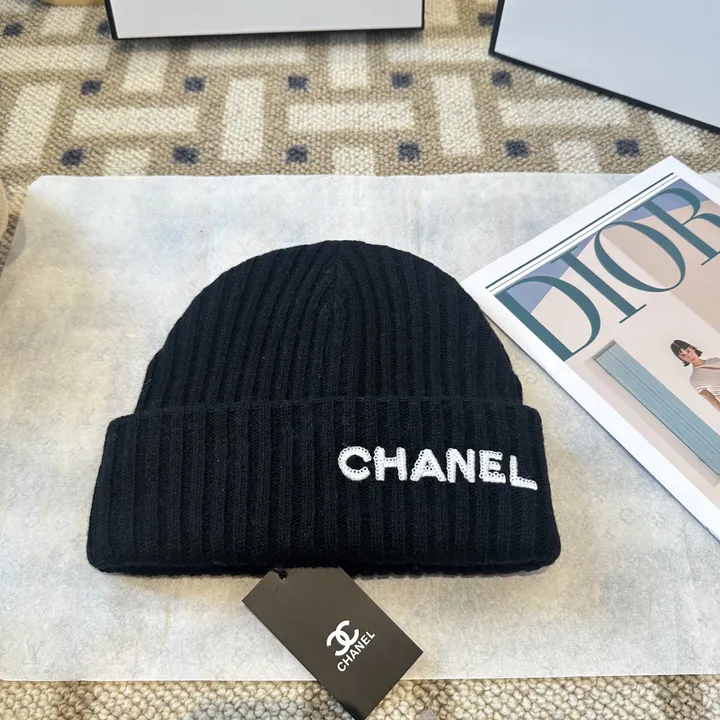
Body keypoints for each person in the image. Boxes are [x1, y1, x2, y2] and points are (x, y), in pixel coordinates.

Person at [670, 339, 720, 411]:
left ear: (692, 348)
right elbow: (716, 404)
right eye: (683, 355)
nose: (689, 356)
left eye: (688, 351)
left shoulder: (715, 361)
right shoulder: (695, 380)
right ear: (681, 358)